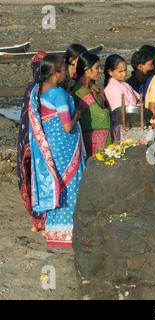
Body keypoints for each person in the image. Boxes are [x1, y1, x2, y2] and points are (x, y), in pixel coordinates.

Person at [28, 54, 85, 246]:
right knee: (71, 185)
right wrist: (77, 114)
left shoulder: (40, 91)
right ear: (54, 74)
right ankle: (69, 231)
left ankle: (55, 231)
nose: (66, 72)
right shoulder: (58, 94)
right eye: (62, 69)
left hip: (53, 147)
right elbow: (67, 126)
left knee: (58, 185)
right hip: (65, 147)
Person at [18, 50, 47, 234]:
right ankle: (42, 221)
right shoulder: (44, 88)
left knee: (32, 178)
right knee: (43, 179)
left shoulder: (31, 88)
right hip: (41, 141)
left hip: (27, 141)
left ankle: (35, 221)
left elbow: (23, 120)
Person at [71, 51, 115, 157]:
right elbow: (101, 115)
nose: (100, 70)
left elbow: (102, 100)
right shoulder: (80, 91)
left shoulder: (89, 87)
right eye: (97, 68)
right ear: (87, 70)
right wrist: (106, 111)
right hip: (90, 139)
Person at [103, 54, 142, 140]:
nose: (124, 74)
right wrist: (137, 105)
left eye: (125, 70)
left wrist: (138, 104)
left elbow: (139, 98)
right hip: (122, 126)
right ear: (110, 72)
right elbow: (122, 111)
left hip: (134, 121)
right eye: (120, 71)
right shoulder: (110, 88)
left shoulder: (125, 84)